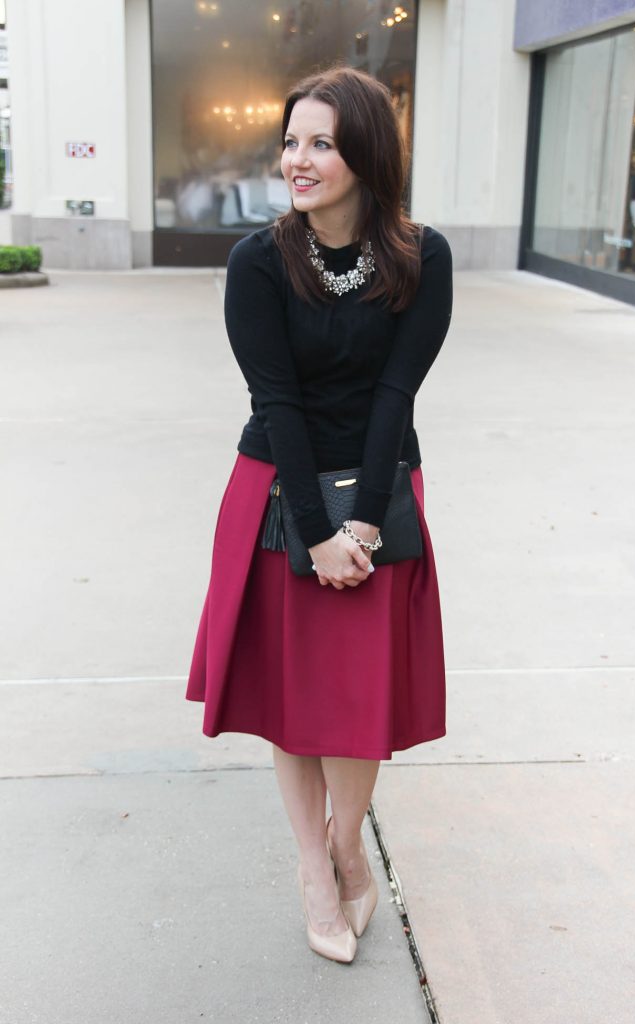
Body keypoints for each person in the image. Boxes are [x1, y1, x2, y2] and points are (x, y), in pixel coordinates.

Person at [186, 65, 453, 965]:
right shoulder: (258, 262)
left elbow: (395, 394)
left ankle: (348, 847)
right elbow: (279, 402)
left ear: (366, 153)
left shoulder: (421, 256)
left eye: (321, 143)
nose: (297, 160)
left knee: (358, 699)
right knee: (293, 702)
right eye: (291, 141)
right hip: (276, 491)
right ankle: (314, 870)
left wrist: (365, 526)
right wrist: (316, 532)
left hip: (379, 491)